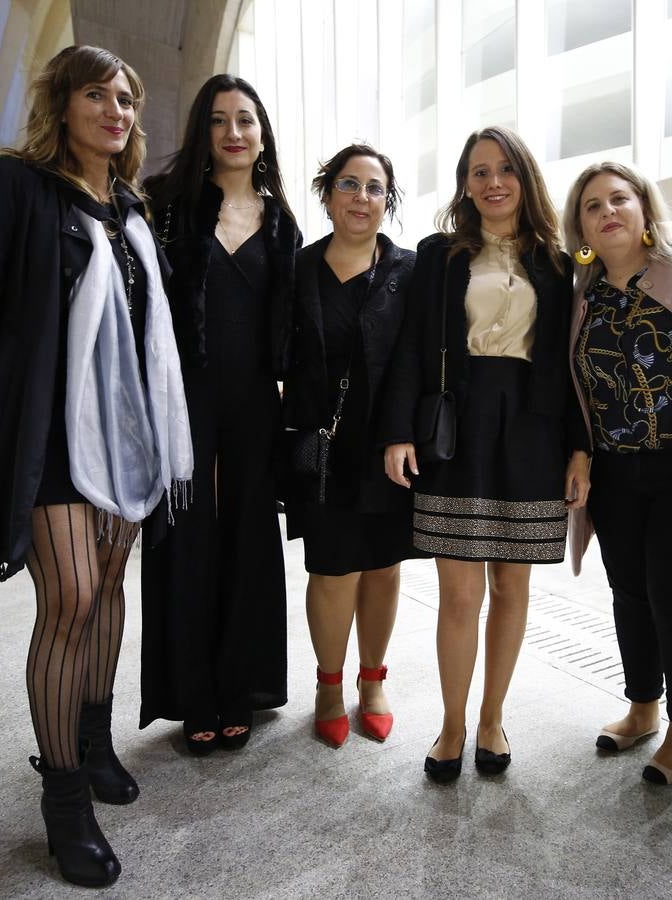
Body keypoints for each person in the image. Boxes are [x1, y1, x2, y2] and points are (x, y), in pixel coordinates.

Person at [0, 46, 192, 887]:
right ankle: (64, 799)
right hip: (41, 426)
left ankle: (92, 738)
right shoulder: (15, 184)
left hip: (124, 433)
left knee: (110, 591)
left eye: (126, 97)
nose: (116, 110)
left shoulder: (130, 208)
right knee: (71, 597)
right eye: (96, 94)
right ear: (60, 103)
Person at [380, 126, 584, 782]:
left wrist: (579, 449)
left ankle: (493, 717)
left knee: (511, 582)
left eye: (503, 169)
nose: (491, 182)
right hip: (456, 429)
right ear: (465, 183)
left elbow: (575, 364)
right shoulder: (439, 254)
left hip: (532, 428)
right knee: (458, 591)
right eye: (477, 171)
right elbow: (412, 344)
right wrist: (398, 430)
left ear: (524, 177)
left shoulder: (558, 262)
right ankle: (451, 722)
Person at [561, 161, 672, 787]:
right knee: (630, 596)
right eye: (592, 205)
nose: (607, 211)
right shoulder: (581, 293)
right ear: (579, 225)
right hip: (617, 473)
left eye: (620, 198)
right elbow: (575, 390)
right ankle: (643, 708)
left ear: (643, 207)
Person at [139, 74, 300, 754]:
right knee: (185, 534)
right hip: (181, 397)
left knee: (248, 538)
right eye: (218, 120)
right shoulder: (163, 206)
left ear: (262, 134)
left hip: (256, 401)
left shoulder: (282, 220)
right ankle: (192, 692)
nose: (233, 132)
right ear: (200, 131)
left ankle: (241, 685)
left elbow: (291, 332)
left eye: (246, 120)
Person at [280, 144, 421, 747]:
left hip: (390, 444)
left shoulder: (410, 270)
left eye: (374, 187)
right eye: (348, 184)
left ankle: (372, 681)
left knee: (384, 568)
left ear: (387, 200)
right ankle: (330, 685)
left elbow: (420, 360)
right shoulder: (297, 268)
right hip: (322, 448)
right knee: (333, 569)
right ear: (327, 194)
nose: (361, 197)